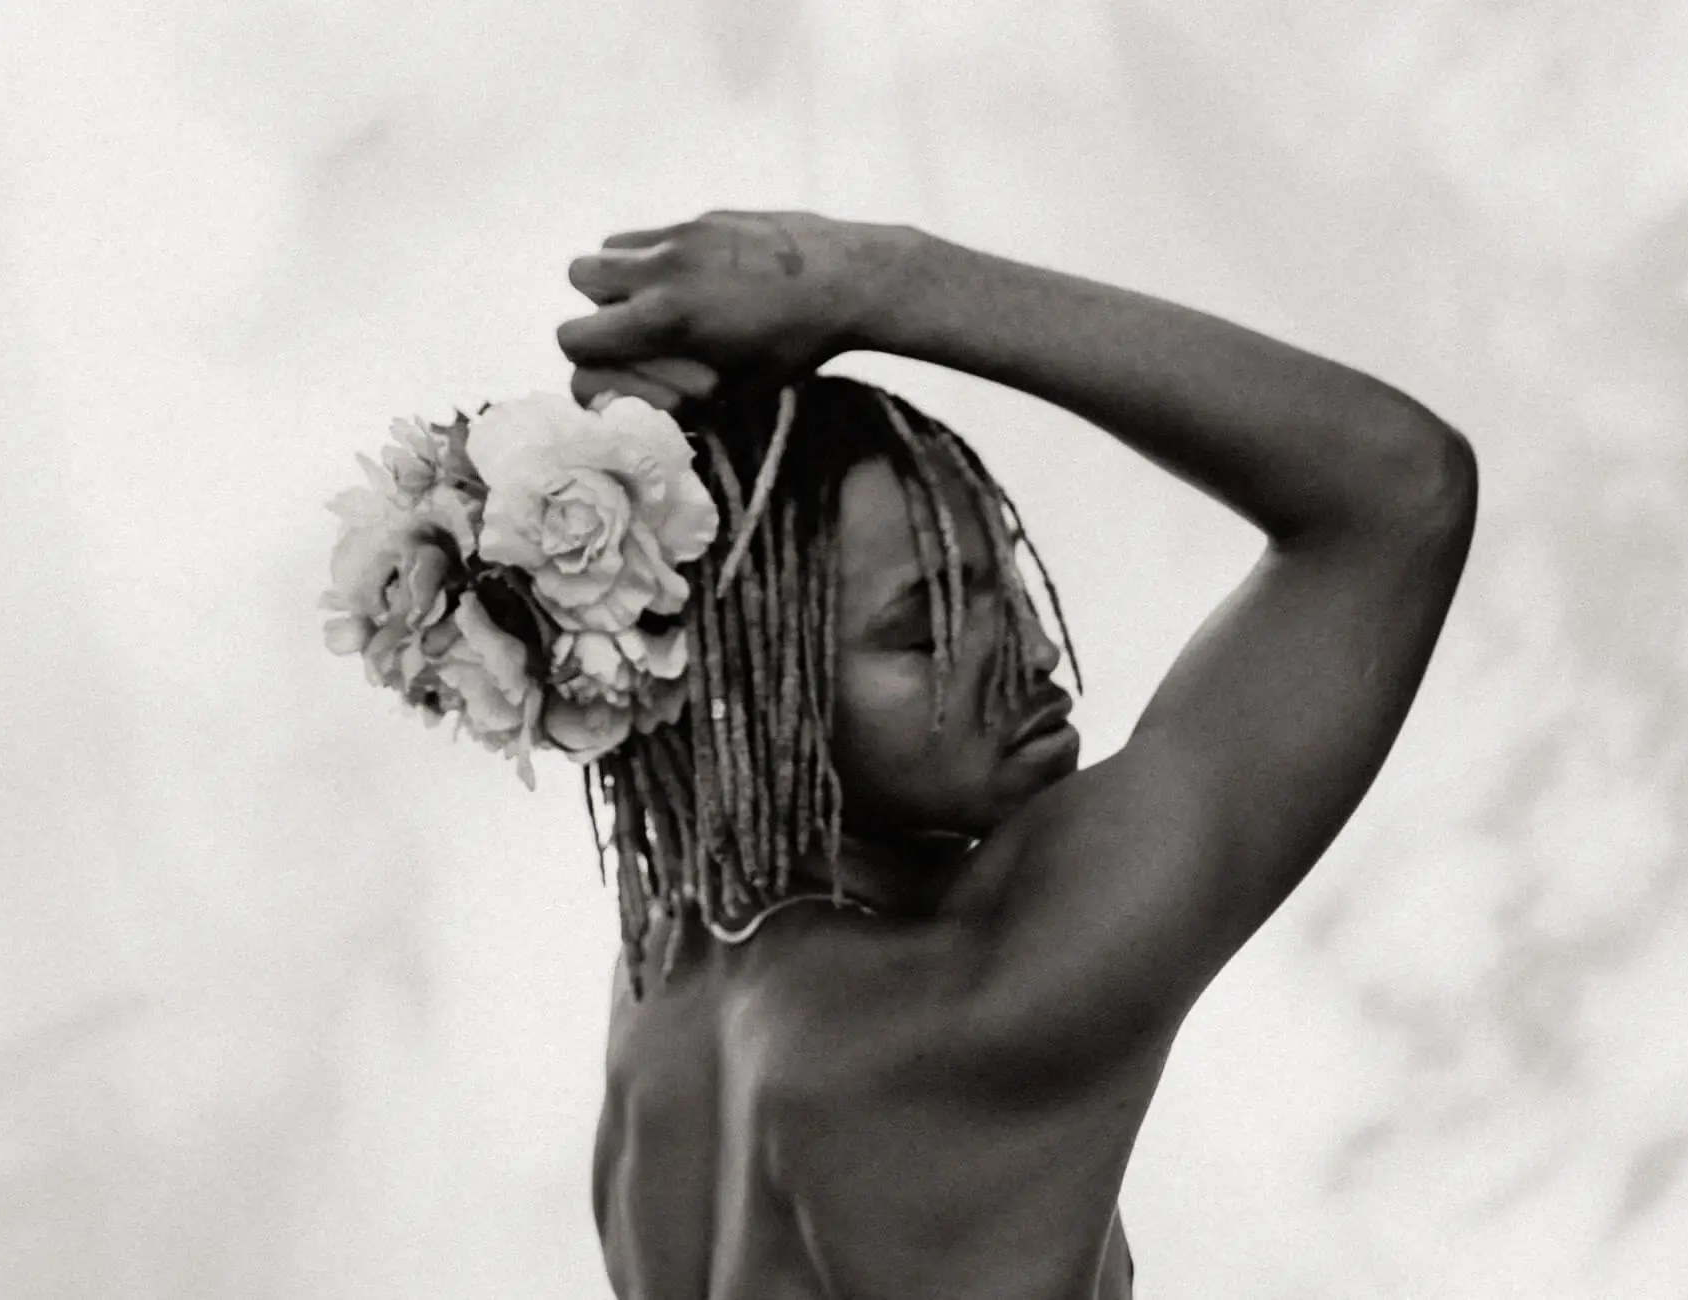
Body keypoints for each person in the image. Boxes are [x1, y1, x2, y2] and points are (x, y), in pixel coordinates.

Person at [555, 210, 1478, 1299]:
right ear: (750, 697)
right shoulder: (976, 997)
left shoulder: (665, 987)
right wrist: (883, 280)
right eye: (924, 630)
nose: (1035, 654)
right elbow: (1399, 493)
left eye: (1005, 584)